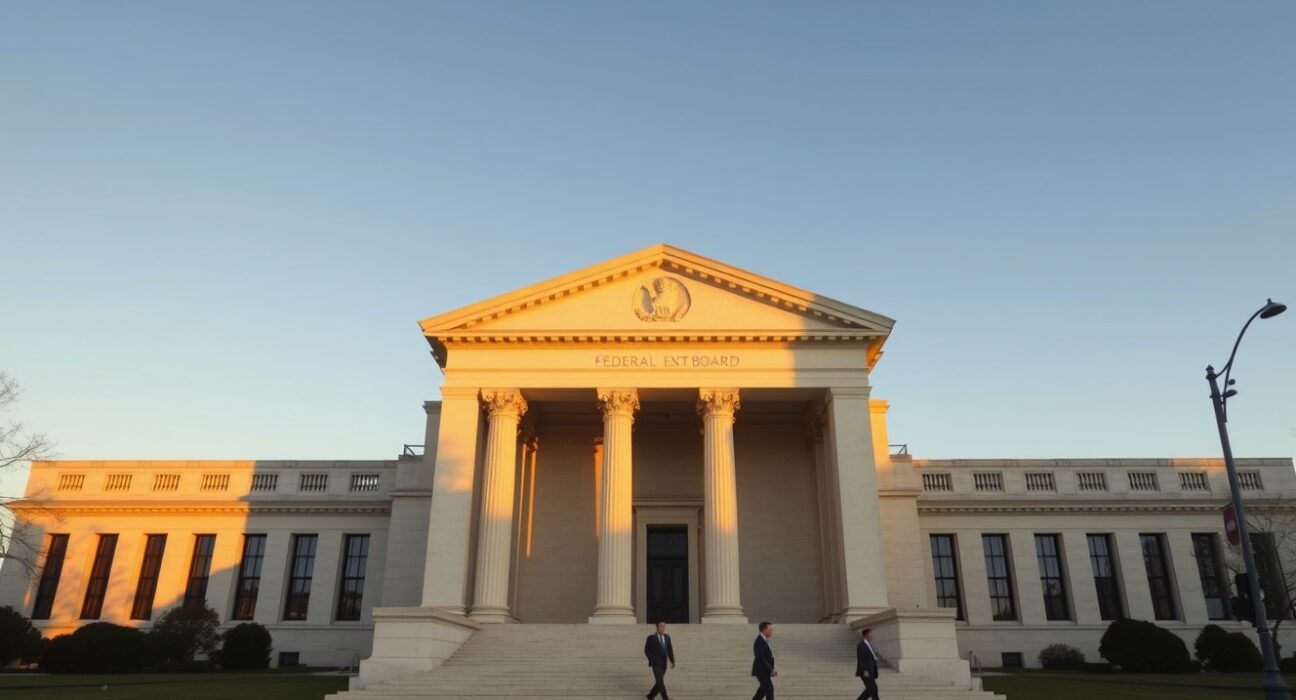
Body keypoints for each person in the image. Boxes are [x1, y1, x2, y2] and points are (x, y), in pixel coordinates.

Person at [644, 621, 675, 700]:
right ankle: (666, 698)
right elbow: (647, 650)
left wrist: (672, 661)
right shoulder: (651, 638)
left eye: (664, 626)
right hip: (655, 663)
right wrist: (652, 660)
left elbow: (669, 650)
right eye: (661, 626)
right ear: (657, 627)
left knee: (659, 681)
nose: (663, 628)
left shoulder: (667, 637)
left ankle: (650, 696)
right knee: (660, 682)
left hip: (664, 664)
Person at [752, 621, 776, 700]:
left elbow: (768, 656)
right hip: (761, 670)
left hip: (763, 670)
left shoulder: (764, 640)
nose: (771, 631)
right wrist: (771, 669)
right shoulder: (760, 641)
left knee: (762, 691)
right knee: (769, 689)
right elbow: (761, 658)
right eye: (770, 629)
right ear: (764, 629)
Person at [856, 627, 880, 700]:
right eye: (871, 634)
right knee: (873, 689)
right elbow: (861, 659)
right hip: (866, 672)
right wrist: (865, 670)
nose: (872, 636)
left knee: (871, 690)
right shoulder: (862, 645)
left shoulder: (868, 645)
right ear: (866, 635)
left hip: (871, 670)